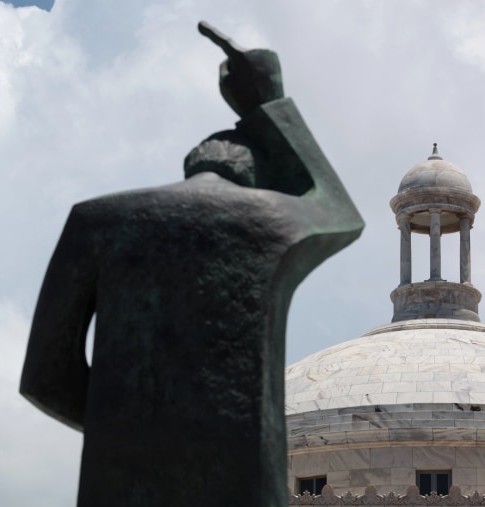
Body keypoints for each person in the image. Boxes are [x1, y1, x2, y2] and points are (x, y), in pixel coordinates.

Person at [20, 21, 363, 506]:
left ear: (193, 162)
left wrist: (130, 434)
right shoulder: (271, 219)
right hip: (240, 476)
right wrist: (266, 101)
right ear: (258, 176)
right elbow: (340, 211)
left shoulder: (96, 220)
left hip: (116, 474)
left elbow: (44, 376)